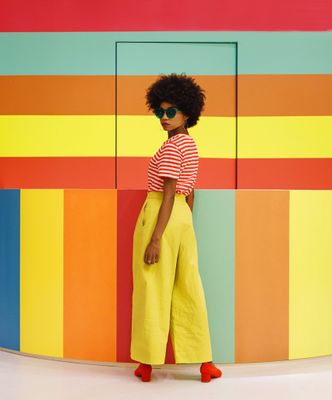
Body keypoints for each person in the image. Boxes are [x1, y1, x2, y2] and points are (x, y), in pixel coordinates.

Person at [130, 73, 222, 383]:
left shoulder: (170, 148)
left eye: (171, 112)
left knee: (152, 287)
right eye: (160, 111)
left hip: (162, 214)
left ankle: (147, 363)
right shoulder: (190, 144)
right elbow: (187, 192)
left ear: (187, 112)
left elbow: (168, 192)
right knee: (189, 288)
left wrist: (156, 238)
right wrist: (185, 225)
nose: (164, 118)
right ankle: (205, 362)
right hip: (182, 218)